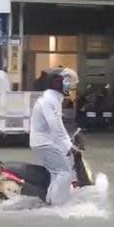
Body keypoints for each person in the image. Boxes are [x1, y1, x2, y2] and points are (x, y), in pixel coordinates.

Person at [29, 70, 79, 206]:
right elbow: (56, 125)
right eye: (67, 82)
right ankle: (56, 208)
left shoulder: (53, 99)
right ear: (58, 83)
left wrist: (67, 143)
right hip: (44, 142)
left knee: (56, 173)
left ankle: (50, 203)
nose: (70, 85)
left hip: (43, 141)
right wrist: (68, 145)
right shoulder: (50, 100)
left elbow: (56, 127)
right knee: (64, 173)